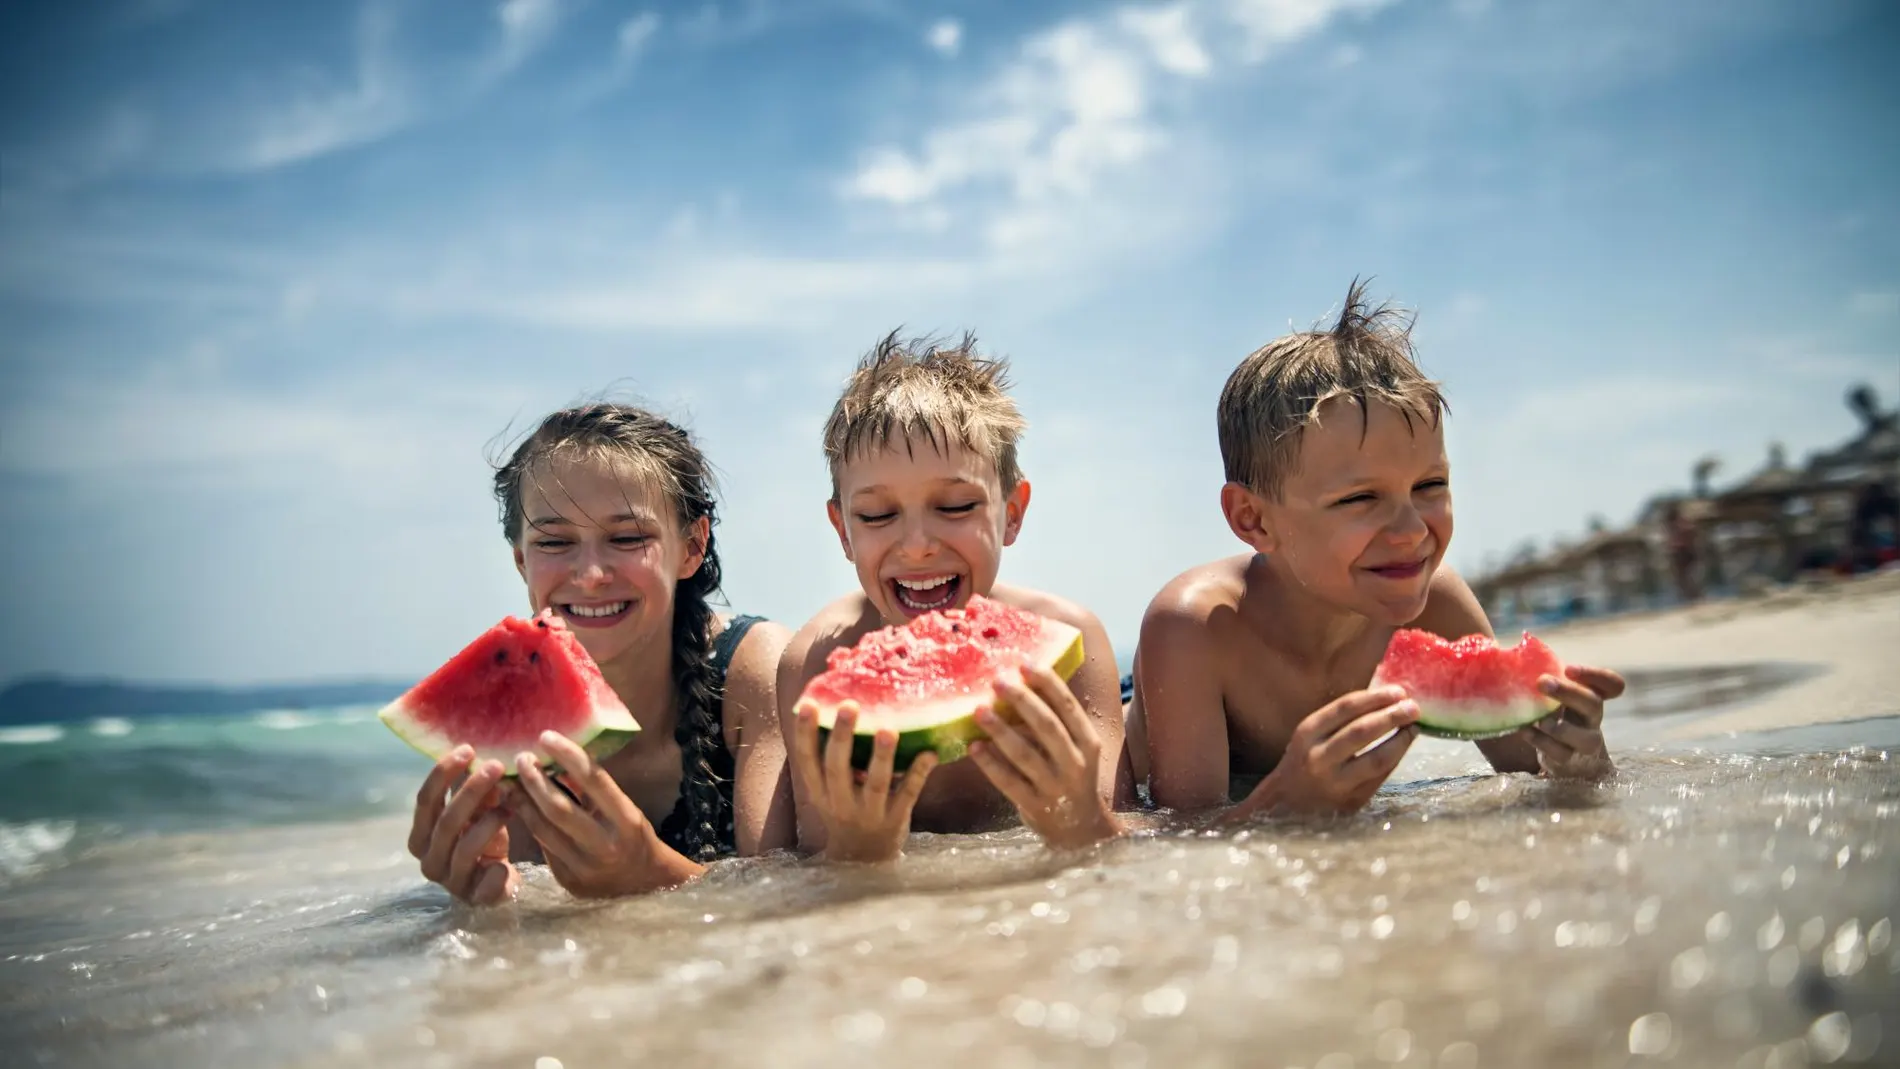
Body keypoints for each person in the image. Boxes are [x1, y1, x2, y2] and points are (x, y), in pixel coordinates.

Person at [1129, 281, 1625, 819]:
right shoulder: (1195, 626)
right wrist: (1284, 808)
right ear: (1252, 519)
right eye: (1361, 498)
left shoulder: (1437, 601)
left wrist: (1582, 763)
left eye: (1430, 486)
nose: (1411, 530)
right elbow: (1178, 835)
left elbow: (1531, 773)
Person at [407, 403, 793, 904]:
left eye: (627, 537)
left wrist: (649, 870)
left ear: (692, 547)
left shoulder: (755, 669)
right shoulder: (509, 728)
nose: (590, 575)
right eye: (554, 542)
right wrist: (488, 903)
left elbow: (791, 900)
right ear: (522, 562)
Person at [778, 333, 1132, 863]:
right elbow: (813, 866)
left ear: (1011, 513)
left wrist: (1084, 821)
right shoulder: (814, 665)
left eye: (957, 505)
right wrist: (859, 850)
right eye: (877, 515)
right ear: (843, 530)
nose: (918, 546)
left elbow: (1123, 842)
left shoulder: (1072, 644)